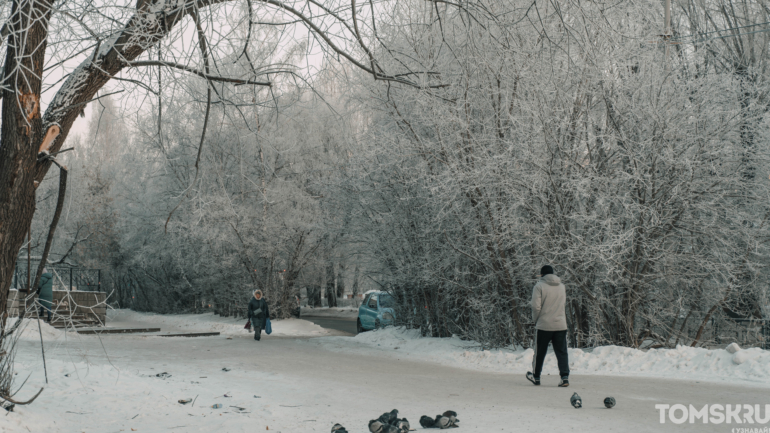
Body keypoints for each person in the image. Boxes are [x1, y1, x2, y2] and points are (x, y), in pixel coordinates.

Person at [526, 265, 570, 387]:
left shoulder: (539, 286)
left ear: (542, 275)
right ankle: (564, 377)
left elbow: (536, 306)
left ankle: (536, 376)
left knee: (540, 351)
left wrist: (536, 320)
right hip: (560, 324)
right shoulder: (562, 287)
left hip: (544, 324)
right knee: (562, 352)